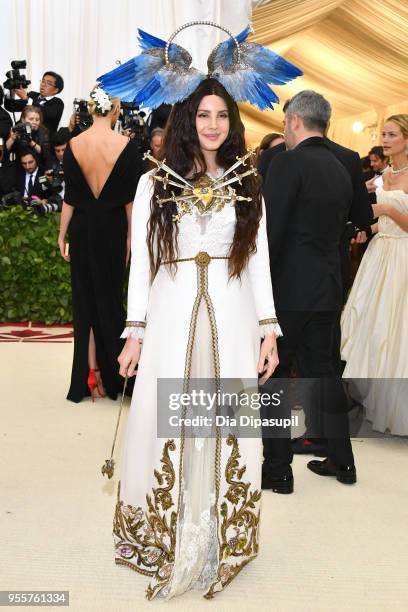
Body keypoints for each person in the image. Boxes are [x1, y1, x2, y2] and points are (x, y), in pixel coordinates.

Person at [99, 21, 302, 600]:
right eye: (204, 115)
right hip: (170, 311)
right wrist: (133, 331)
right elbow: (142, 263)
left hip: (234, 311)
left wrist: (269, 328)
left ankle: (218, 533)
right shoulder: (153, 183)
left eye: (222, 116)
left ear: (232, 123)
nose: (214, 125)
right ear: (187, 119)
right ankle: (165, 532)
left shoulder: (249, 181)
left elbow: (258, 258)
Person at [262, 90, 358, 492]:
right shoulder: (340, 167)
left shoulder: (288, 162)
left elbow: (273, 231)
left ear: (296, 120)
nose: (284, 129)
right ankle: (343, 460)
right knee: (325, 374)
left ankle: (279, 469)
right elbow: (343, 233)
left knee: (274, 376)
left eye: (285, 122)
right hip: (327, 287)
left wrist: (258, 280)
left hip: (288, 289)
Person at [58, 85, 141, 402]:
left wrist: (61, 235)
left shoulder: (74, 143)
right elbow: (130, 203)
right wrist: (131, 240)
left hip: (82, 228)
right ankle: (117, 377)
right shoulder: (127, 146)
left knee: (84, 303)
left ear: (89, 110)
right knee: (110, 302)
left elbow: (70, 198)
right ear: (117, 111)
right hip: (112, 228)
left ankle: (84, 380)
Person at [341, 114, 408, 435]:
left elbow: (399, 220)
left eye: (392, 134)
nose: (385, 138)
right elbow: (376, 217)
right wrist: (366, 228)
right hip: (380, 253)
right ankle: (375, 399)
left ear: (406, 140)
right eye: (384, 133)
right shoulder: (383, 175)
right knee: (373, 325)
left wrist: (388, 211)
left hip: (402, 256)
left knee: (396, 329)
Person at [5, 71, 64, 135]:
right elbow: (10, 107)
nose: (43, 84)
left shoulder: (58, 103)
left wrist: (27, 99)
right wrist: (12, 91)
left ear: (56, 90)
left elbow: (45, 113)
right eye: (43, 81)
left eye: (49, 83)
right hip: (22, 136)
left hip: (43, 141)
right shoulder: (32, 95)